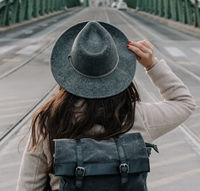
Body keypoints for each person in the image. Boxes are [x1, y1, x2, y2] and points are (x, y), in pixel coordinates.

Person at [16, 21, 196, 191]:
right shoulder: (137, 116)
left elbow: (28, 186)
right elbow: (184, 102)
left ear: (68, 71)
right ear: (118, 71)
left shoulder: (50, 119)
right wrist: (152, 65)